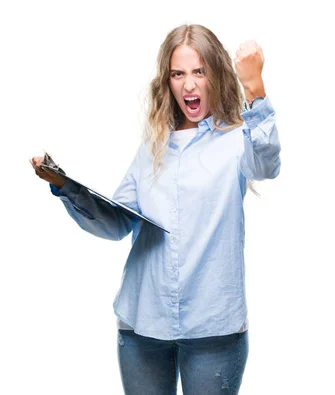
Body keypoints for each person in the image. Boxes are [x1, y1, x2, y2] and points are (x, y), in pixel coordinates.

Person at [30, 24, 280, 395]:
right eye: (178, 74)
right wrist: (66, 186)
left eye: (199, 71)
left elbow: (267, 164)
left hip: (213, 327)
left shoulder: (237, 139)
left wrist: (255, 90)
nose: (189, 85)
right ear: (167, 81)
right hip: (143, 324)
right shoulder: (153, 147)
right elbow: (117, 224)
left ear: (216, 75)